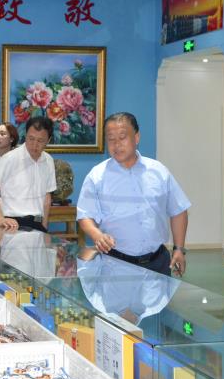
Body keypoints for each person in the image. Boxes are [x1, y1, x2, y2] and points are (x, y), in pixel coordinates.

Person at [76, 112, 190, 277]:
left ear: (136, 138)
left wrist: (179, 248)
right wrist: (97, 235)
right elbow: (85, 216)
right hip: (114, 263)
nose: (117, 144)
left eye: (122, 137)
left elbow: (178, 210)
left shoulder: (158, 171)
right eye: (111, 139)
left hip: (157, 262)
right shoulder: (97, 176)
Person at [0, 116, 56, 233]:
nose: (34, 144)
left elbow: (47, 196)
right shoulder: (9, 159)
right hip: (13, 225)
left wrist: (44, 226)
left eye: (40, 141)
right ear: (25, 135)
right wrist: (0, 219)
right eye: (31, 139)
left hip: (38, 224)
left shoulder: (48, 161)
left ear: (48, 140)